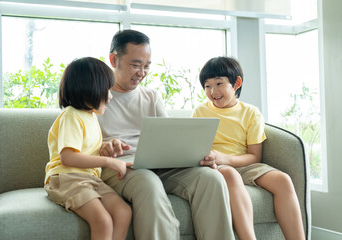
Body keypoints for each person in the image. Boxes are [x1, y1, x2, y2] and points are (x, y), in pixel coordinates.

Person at [98, 29, 235, 240]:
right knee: (147, 182)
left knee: (211, 179)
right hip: (120, 167)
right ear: (114, 59)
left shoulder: (151, 96)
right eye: (135, 65)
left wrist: (194, 156)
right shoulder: (94, 96)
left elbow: (170, 138)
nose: (142, 72)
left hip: (159, 164)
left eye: (147, 66)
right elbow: (80, 145)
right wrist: (103, 146)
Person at [193, 56, 306, 240]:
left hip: (243, 163)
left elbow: (254, 156)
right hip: (216, 167)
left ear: (236, 83)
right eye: (207, 86)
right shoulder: (200, 111)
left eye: (219, 83)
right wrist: (216, 159)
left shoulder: (251, 112)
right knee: (230, 174)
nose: (213, 91)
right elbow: (194, 148)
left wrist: (226, 158)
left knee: (283, 180)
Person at [44, 57, 132, 240]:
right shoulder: (71, 116)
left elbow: (86, 149)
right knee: (103, 221)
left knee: (123, 212)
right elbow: (68, 157)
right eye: (107, 90)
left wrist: (106, 147)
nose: (111, 96)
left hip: (89, 178)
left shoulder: (91, 117)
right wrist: (109, 161)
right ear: (90, 90)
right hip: (67, 177)